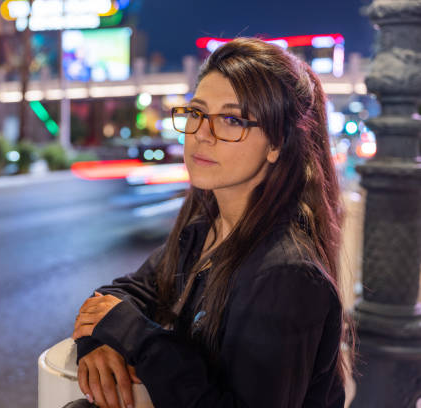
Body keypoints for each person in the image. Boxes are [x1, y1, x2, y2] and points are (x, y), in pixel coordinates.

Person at [70, 37, 354, 408]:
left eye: (232, 119)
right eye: (197, 113)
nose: (202, 134)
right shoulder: (206, 230)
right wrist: (99, 342)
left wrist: (136, 336)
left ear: (277, 144)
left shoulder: (285, 275)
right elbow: (123, 294)